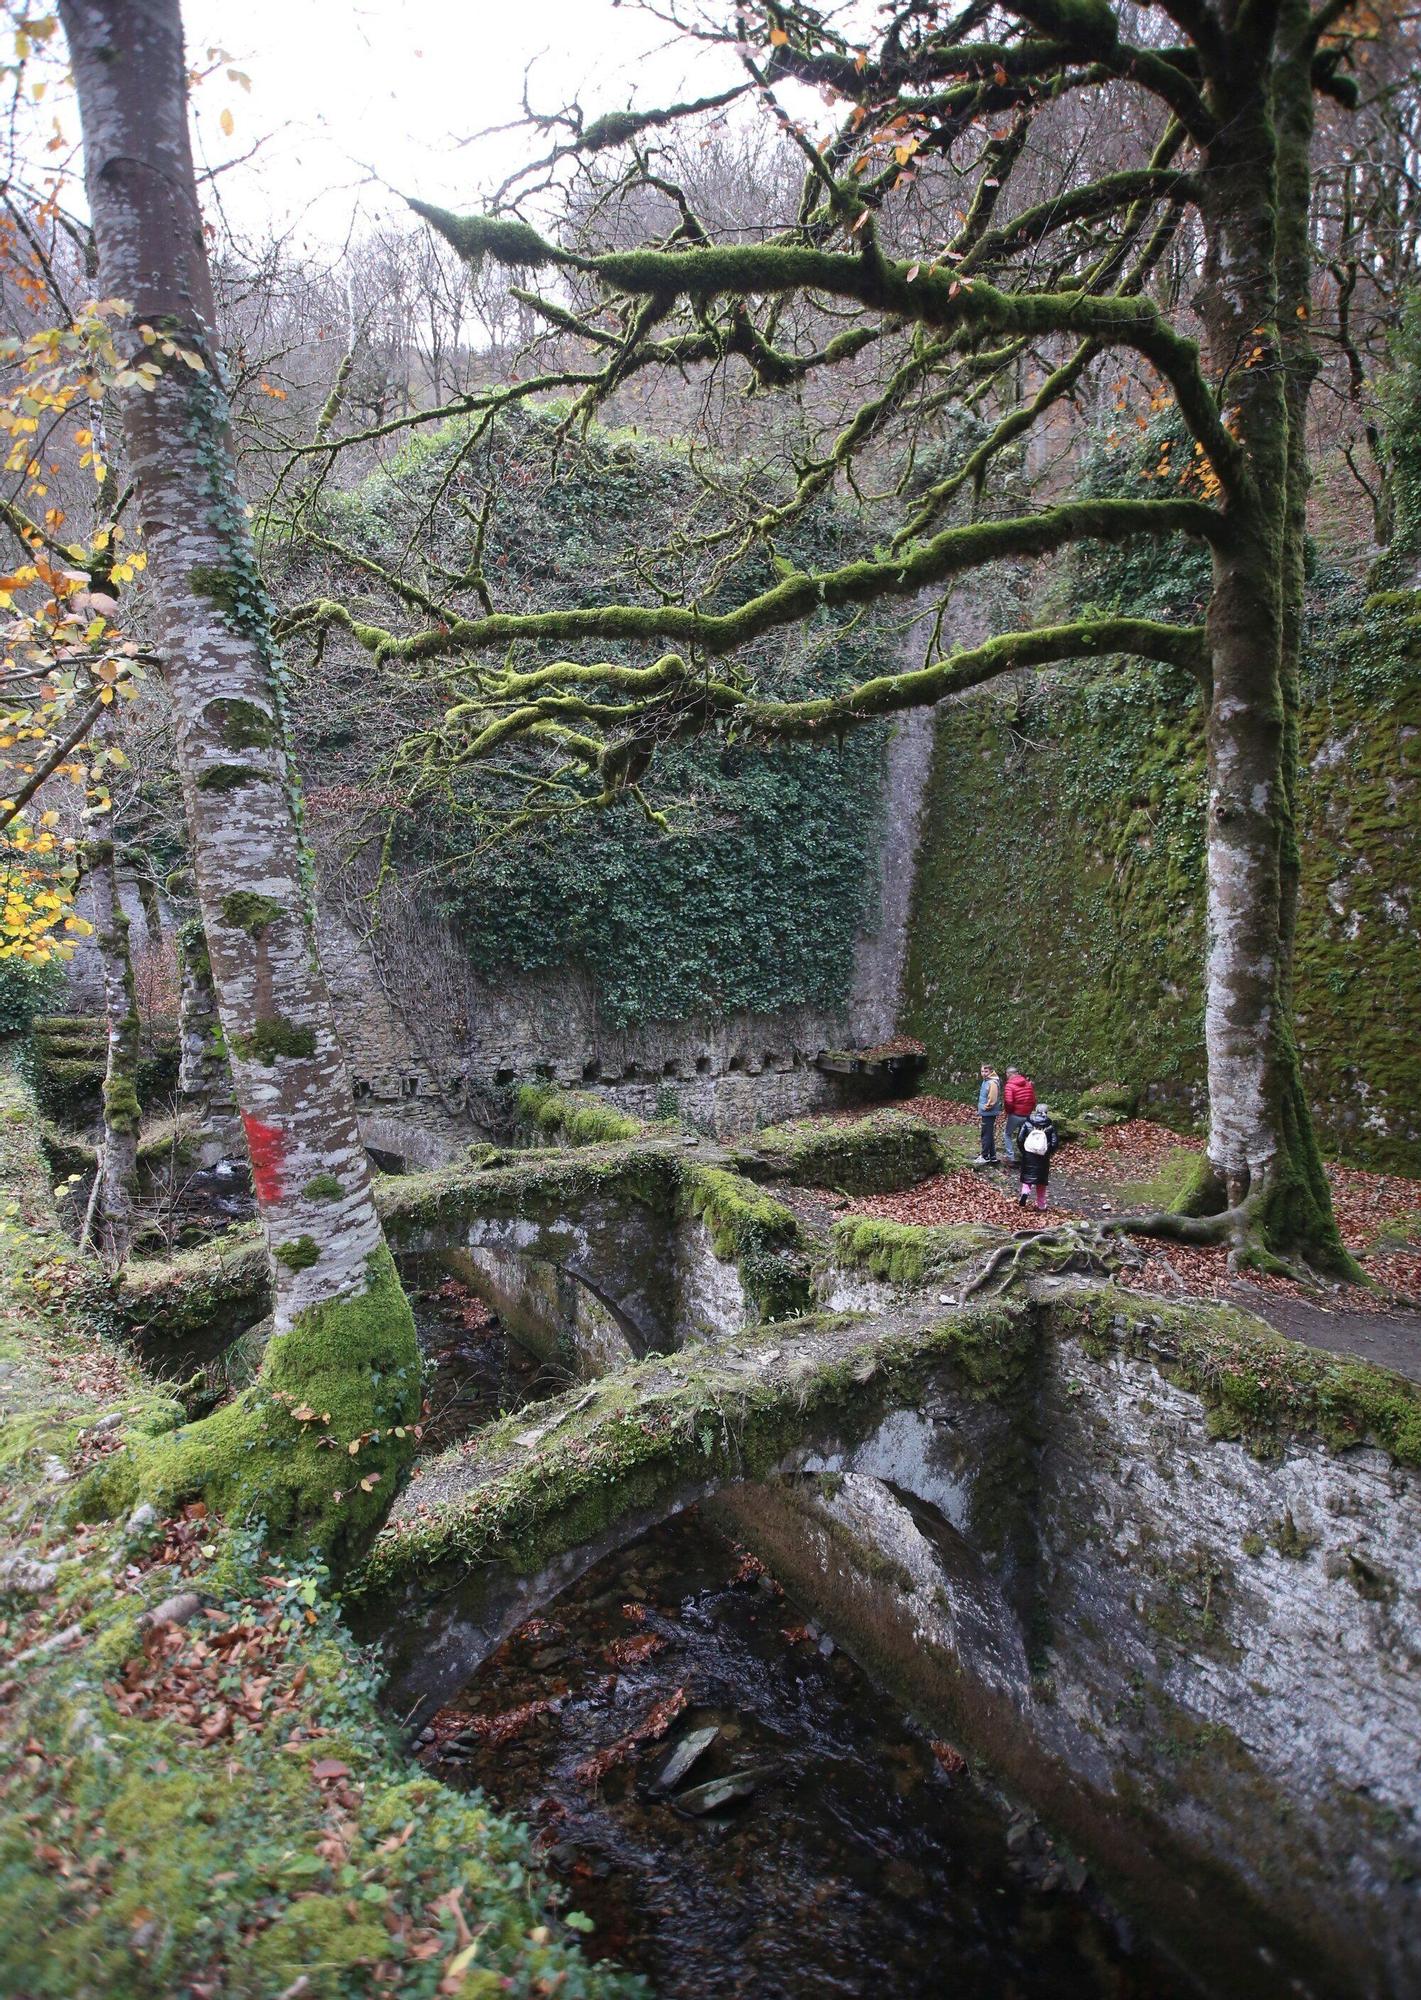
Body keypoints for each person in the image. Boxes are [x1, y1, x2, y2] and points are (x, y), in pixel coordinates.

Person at [1017, 1103, 1059, 1210]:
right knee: (1041, 1182)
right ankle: (1041, 1205)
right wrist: (1048, 1152)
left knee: (1027, 1178)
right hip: (1043, 1157)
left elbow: (1020, 1139)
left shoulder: (1027, 1123)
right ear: (1046, 1112)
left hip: (1028, 1155)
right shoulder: (1050, 1126)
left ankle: (1025, 1193)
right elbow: (1054, 1143)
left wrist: (1024, 1151)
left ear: (1036, 1111)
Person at [1002, 1066, 1037, 1165]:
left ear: (1009, 1074)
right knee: (1024, 1135)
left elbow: (1009, 1102)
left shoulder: (1009, 1085)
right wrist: (1029, 1111)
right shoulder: (1028, 1084)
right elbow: (1033, 1099)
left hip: (1015, 1114)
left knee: (1007, 1134)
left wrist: (1009, 1112)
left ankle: (1010, 1158)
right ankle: (1027, 1157)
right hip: (1027, 1115)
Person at [974, 1064, 1002, 1165]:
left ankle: (985, 1156)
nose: (984, 1074)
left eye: (986, 1072)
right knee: (988, 1133)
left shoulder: (992, 1082)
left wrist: (986, 1107)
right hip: (987, 1112)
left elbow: (992, 1099)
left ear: (991, 1071)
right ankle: (992, 1156)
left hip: (989, 1112)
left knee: (986, 1134)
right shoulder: (986, 1081)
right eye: (982, 1071)